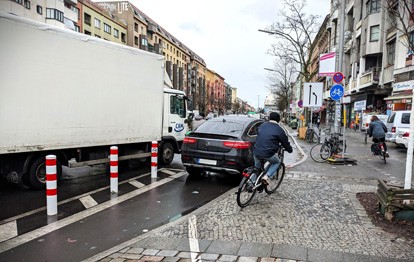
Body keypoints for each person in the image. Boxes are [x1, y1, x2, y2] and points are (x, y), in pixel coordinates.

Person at [253, 112, 293, 185]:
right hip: (268, 153)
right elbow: (285, 143)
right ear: (278, 119)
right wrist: (290, 149)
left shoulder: (262, 125)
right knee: (277, 162)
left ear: (269, 118)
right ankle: (266, 176)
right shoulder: (279, 130)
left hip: (256, 150)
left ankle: (251, 183)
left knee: (256, 169)